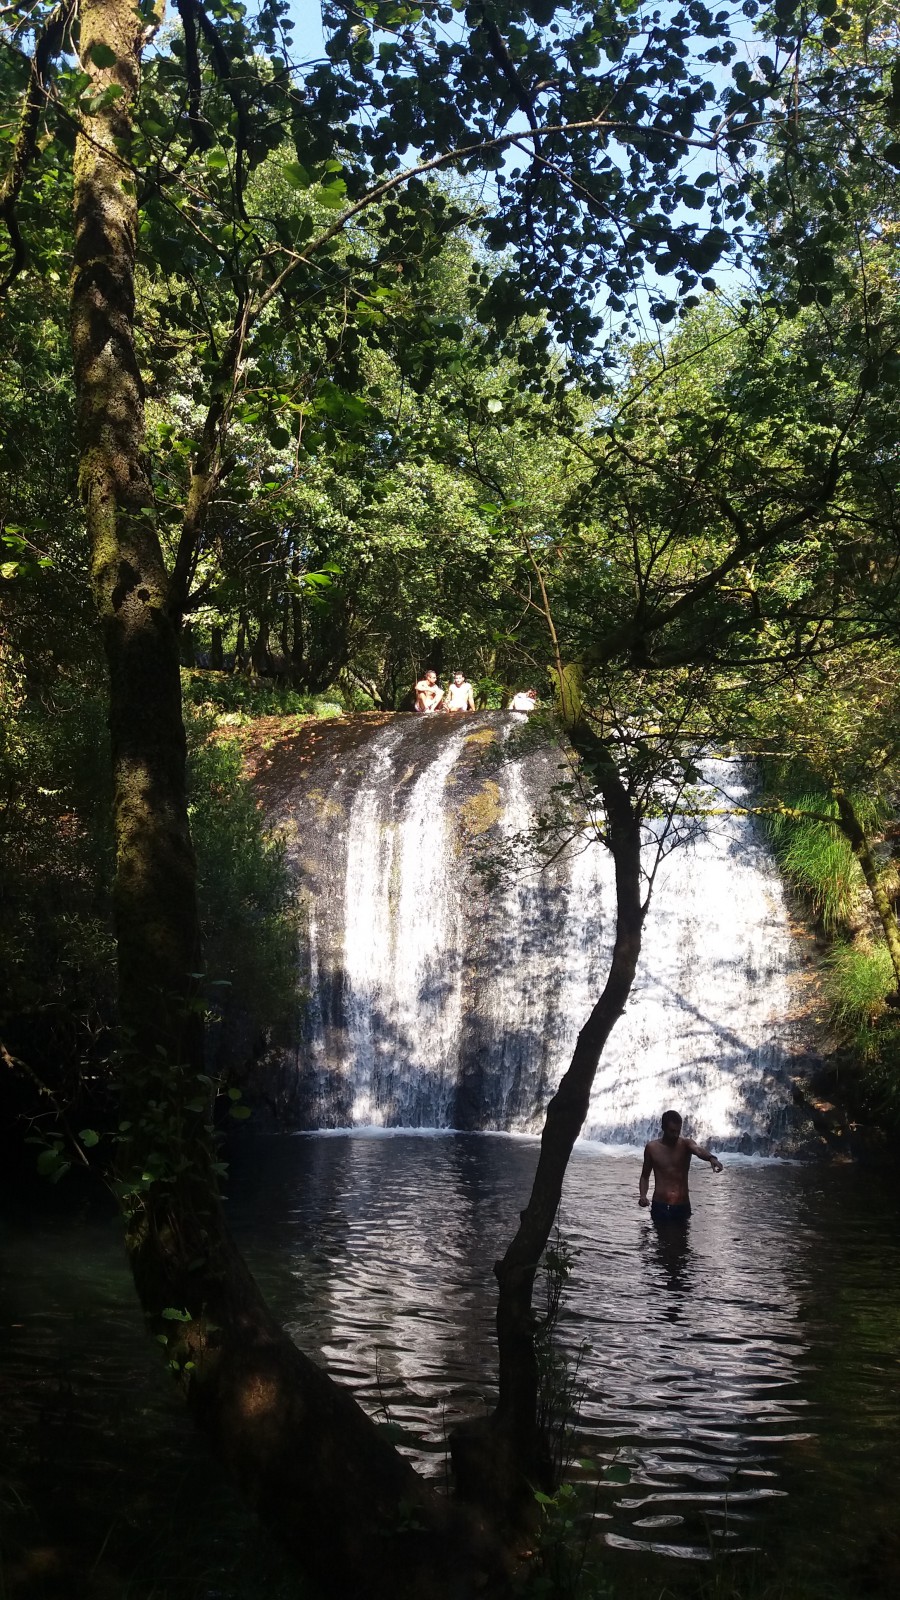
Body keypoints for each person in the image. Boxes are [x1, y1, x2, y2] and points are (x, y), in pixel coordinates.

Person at [638, 1110, 723, 1223]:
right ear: (663, 1127)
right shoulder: (652, 1148)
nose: (675, 1135)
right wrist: (643, 1195)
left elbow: (698, 1150)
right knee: (660, 1240)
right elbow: (645, 1176)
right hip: (661, 1205)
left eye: (678, 1131)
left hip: (682, 1205)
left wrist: (711, 1158)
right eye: (672, 1131)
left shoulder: (685, 1144)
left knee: (682, 1240)